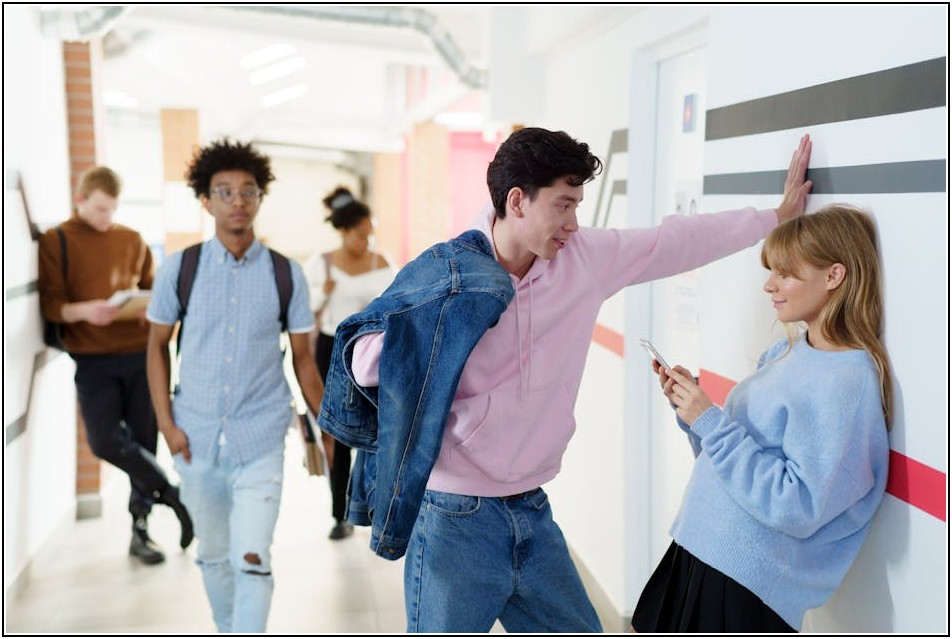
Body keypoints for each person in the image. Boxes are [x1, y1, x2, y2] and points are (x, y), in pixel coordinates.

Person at [323, 127, 814, 632]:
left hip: (532, 510)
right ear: (517, 201)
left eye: (578, 205)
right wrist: (432, 328)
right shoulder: (449, 274)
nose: (574, 224)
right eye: (563, 205)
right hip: (452, 518)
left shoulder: (585, 261)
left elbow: (673, 241)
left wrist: (775, 218)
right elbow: (364, 361)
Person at [630, 204, 892, 633]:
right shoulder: (786, 351)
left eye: (784, 273)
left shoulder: (848, 382)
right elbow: (729, 463)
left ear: (834, 276)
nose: (769, 285)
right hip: (702, 548)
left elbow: (799, 505)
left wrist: (711, 422)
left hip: (742, 582)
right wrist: (695, 414)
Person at [145, 139, 324, 633]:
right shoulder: (179, 270)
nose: (237, 201)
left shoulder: (287, 274)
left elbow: (305, 358)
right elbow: (156, 346)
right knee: (213, 556)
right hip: (193, 438)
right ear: (206, 201)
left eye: (247, 191)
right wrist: (167, 424)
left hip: (261, 437)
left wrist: (330, 425)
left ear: (260, 198)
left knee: (252, 557)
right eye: (224, 192)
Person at [37, 166, 193, 566]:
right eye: (100, 209)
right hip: (92, 358)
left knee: (144, 439)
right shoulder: (57, 241)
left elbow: (151, 290)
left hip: (140, 353)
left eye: (112, 210)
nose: (107, 218)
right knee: (105, 441)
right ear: (81, 200)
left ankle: (140, 531)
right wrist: (86, 311)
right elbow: (52, 306)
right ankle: (169, 490)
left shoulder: (131, 239)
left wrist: (145, 310)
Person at [303, 186, 395, 541]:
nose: (366, 241)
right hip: (333, 350)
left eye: (370, 234)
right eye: (360, 235)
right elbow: (306, 313)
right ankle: (339, 513)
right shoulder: (320, 264)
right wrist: (324, 292)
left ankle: (378, 507)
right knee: (339, 437)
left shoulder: (381, 263)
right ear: (343, 231)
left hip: (372, 351)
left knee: (379, 431)